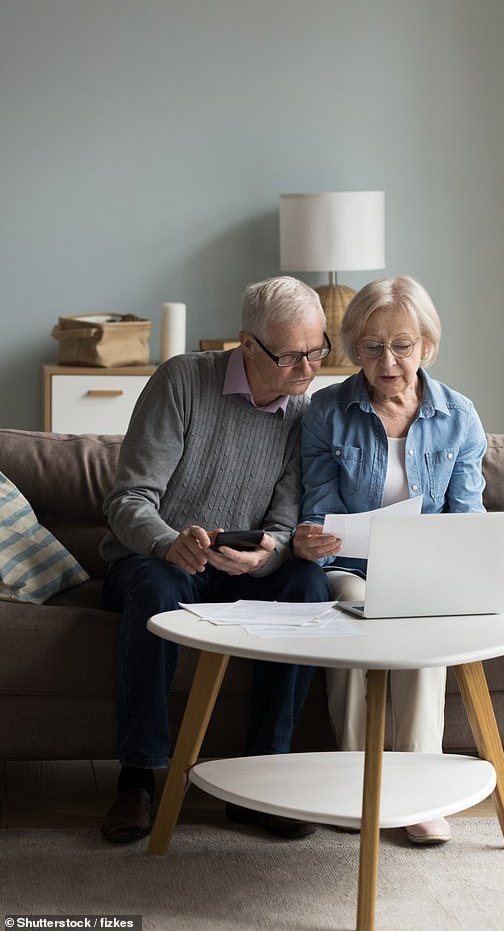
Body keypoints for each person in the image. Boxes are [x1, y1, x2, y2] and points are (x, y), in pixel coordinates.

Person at [99, 276, 333, 844]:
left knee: (307, 583)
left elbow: (282, 524)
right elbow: (129, 501)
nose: (308, 369)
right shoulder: (182, 381)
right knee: (158, 583)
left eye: (318, 350)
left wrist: (270, 556)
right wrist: (167, 542)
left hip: (237, 572)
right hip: (151, 562)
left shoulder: (303, 412)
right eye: (291, 356)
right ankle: (138, 779)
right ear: (247, 345)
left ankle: (263, 777)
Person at [293, 275, 487, 845]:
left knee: (425, 624)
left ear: (426, 346)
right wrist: (315, 537)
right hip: (350, 570)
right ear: (354, 348)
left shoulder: (460, 416)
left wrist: (445, 563)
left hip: (425, 575)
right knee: (350, 611)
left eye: (402, 345)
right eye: (372, 347)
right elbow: (320, 505)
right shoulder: (327, 411)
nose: (388, 361)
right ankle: (358, 785)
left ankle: (420, 792)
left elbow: (467, 515)